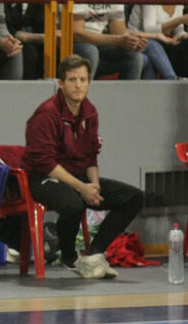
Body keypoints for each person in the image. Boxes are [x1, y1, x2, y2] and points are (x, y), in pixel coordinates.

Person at [22, 55, 144, 279]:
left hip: (78, 177)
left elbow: (90, 157)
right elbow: (46, 163)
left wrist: (94, 186)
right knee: (74, 204)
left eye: (83, 79)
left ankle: (95, 254)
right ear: (61, 83)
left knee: (133, 197)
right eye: (72, 80)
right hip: (43, 177)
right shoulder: (47, 113)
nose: (78, 85)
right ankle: (70, 258)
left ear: (89, 82)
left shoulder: (90, 111)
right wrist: (82, 188)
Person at [72, 3, 145, 80]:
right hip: (72, 44)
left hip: (101, 44)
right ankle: (85, 90)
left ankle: (129, 92)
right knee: (90, 50)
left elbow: (118, 33)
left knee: (134, 56)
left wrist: (133, 42)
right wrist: (117, 40)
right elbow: (78, 34)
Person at [128, 4, 188, 80]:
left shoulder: (179, 5)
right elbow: (149, 29)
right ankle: (173, 80)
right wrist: (180, 20)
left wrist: (184, 35)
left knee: (182, 45)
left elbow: (178, 30)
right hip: (139, 38)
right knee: (154, 46)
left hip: (162, 41)